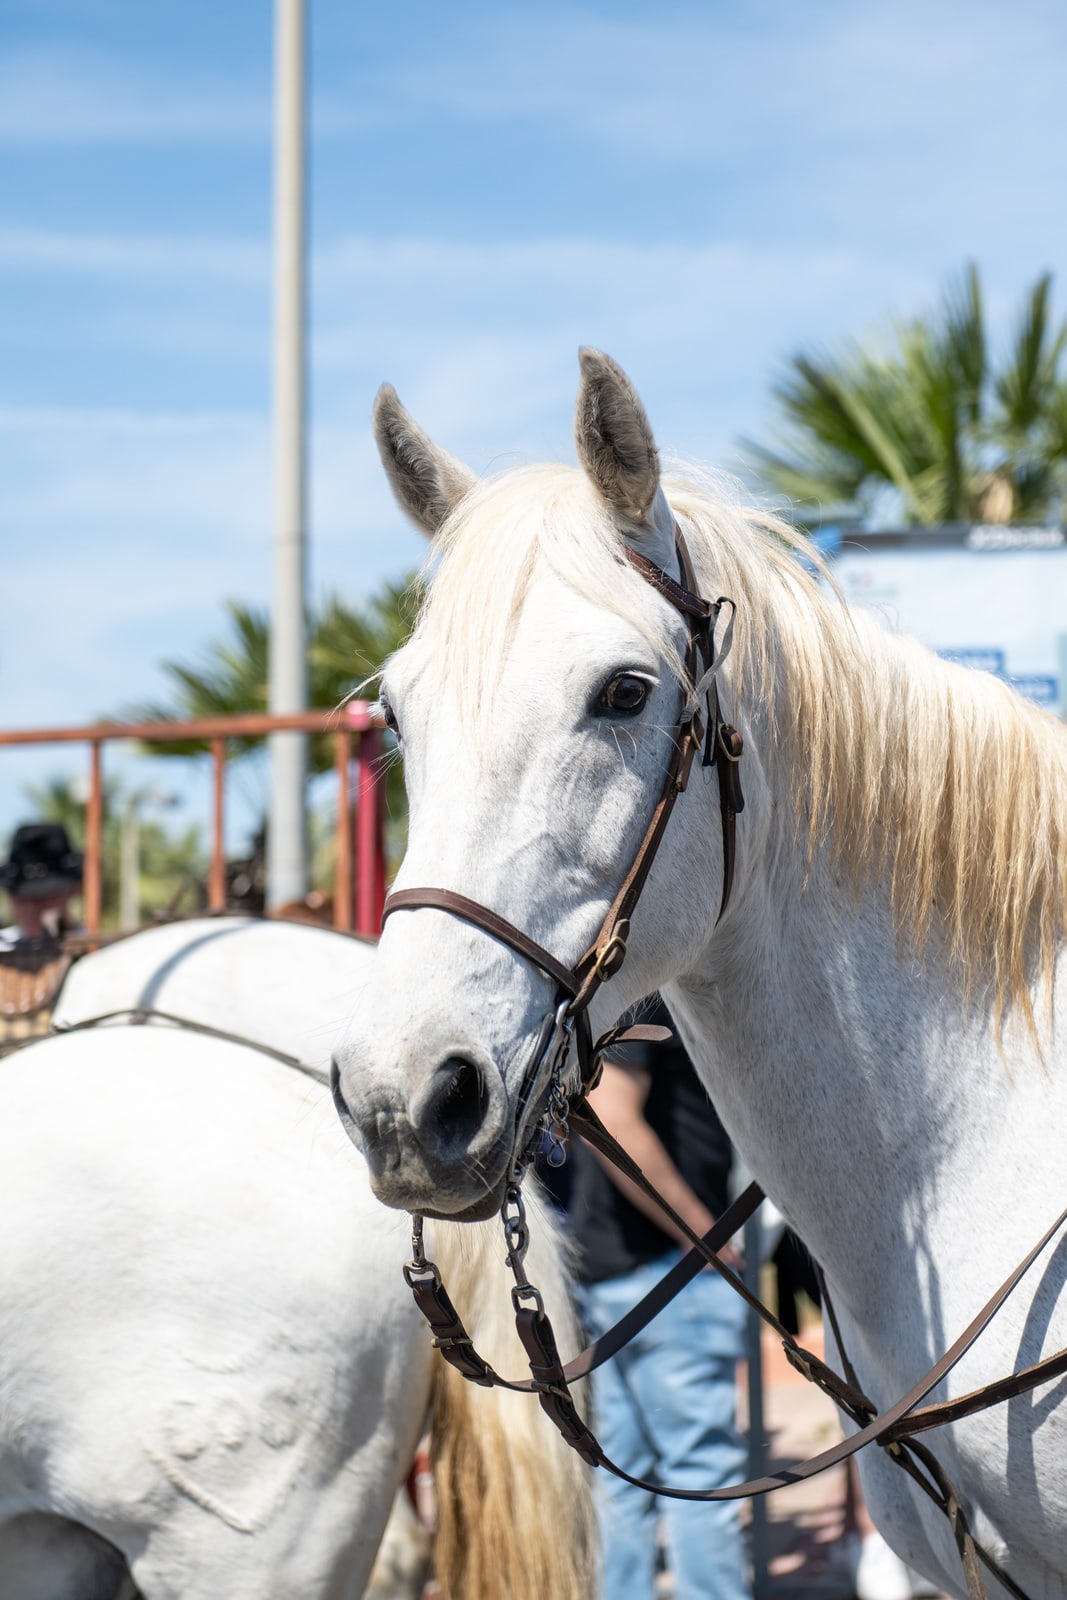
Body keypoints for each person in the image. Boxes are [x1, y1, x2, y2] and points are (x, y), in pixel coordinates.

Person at [568, 996, 750, 1600]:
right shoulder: (650, 987)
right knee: (700, 1479)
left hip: (618, 1270)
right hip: (667, 1275)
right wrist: (706, 1234)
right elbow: (611, 1115)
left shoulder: (613, 990)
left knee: (623, 1482)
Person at [0, 822, 84, 948]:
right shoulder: (4, 947)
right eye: (24, 898)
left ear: (70, 892)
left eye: (48, 895)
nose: (33, 906)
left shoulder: (101, 954)